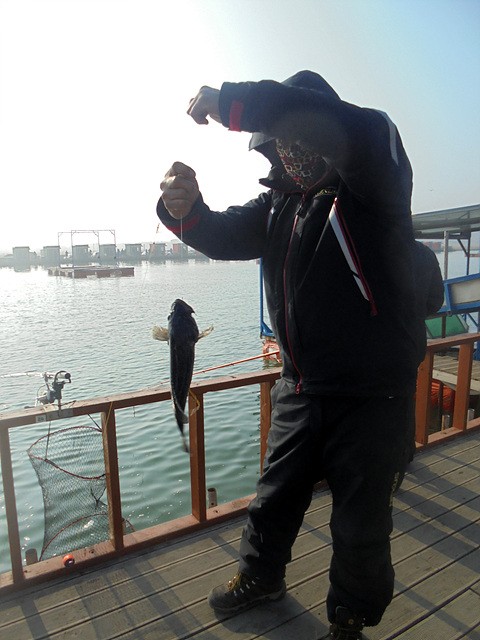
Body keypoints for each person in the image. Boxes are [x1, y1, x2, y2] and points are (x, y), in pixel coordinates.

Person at [157, 71, 420, 640]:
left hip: (373, 394)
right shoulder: (279, 203)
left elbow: (354, 129)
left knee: (361, 522)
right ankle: (261, 577)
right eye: (281, 146)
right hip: (299, 385)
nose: (293, 154)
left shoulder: (374, 183)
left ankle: (349, 619)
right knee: (273, 497)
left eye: (303, 139)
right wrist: (185, 208)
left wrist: (232, 102)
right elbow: (220, 234)